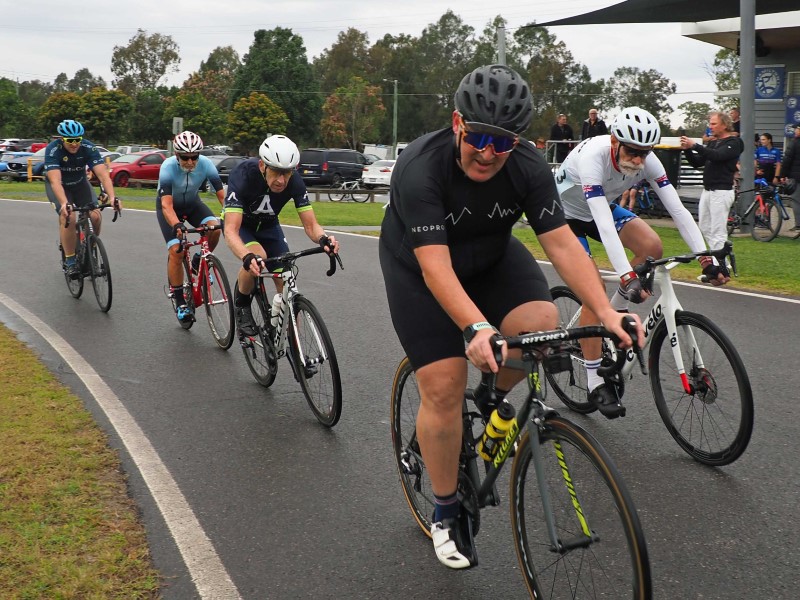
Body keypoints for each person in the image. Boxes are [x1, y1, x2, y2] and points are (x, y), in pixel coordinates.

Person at [379, 64, 643, 570]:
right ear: (457, 123)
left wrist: (607, 311)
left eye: (502, 143)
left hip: (492, 258)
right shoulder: (421, 167)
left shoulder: (527, 167)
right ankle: (446, 509)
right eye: (478, 137)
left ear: (518, 142)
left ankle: (492, 395)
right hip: (420, 269)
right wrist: (477, 327)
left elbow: (561, 243)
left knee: (540, 323)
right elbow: (436, 269)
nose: (487, 152)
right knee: (444, 385)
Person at [557, 106, 728, 418]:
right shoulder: (594, 157)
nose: (638, 160)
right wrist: (626, 275)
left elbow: (677, 210)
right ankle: (595, 380)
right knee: (592, 288)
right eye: (632, 152)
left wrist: (707, 259)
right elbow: (604, 225)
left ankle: (616, 310)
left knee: (651, 245)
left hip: (598, 209)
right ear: (614, 141)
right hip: (563, 216)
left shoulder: (648, 161)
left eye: (644, 153)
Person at [223, 134, 339, 337]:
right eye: (276, 172)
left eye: (287, 173)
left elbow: (311, 225)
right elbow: (231, 230)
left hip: (269, 226)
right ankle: (242, 303)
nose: (281, 180)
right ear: (262, 165)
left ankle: (292, 341)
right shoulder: (243, 175)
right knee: (258, 257)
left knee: (286, 278)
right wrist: (246, 256)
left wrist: (324, 239)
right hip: (242, 225)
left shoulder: (295, 182)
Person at [156, 131, 226, 324]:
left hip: (193, 205)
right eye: (185, 157)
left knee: (215, 228)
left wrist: (231, 214)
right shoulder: (167, 167)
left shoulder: (206, 164)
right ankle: (180, 302)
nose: (190, 162)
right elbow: (166, 205)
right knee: (176, 250)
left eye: (194, 157)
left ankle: (198, 261)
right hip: (169, 208)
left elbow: (222, 195)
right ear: (176, 155)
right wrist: (176, 224)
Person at [43, 119, 119, 280]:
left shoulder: (88, 147)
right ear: (62, 139)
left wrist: (112, 197)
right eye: (70, 140)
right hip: (60, 187)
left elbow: (103, 176)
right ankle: (70, 261)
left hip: (80, 184)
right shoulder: (53, 150)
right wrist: (64, 203)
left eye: (77, 140)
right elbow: (55, 181)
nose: (74, 144)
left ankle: (89, 249)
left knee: (96, 216)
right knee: (69, 216)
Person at [680, 111, 745, 251]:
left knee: (718, 231)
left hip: (721, 191)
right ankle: (718, 258)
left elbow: (718, 156)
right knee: (704, 227)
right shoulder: (713, 143)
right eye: (710, 123)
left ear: (724, 125)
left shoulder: (734, 142)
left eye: (714, 124)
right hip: (708, 190)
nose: (711, 127)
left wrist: (695, 146)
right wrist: (687, 150)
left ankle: (721, 262)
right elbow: (698, 162)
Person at [779, 123, 800, 232]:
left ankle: (798, 224)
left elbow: (787, 160)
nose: (795, 131)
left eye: (797, 129)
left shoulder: (794, 143)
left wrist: (782, 175)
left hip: (796, 177)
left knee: (796, 200)